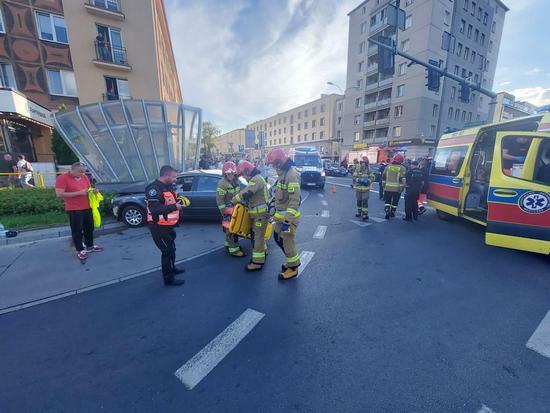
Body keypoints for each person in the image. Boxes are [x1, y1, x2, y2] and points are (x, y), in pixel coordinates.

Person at [145, 165, 187, 286]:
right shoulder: (153, 188)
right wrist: (175, 207)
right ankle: (168, 279)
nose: (175, 179)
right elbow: (154, 208)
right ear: (166, 175)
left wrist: (180, 202)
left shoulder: (167, 186)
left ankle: (173, 268)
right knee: (166, 251)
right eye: (173, 176)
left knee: (172, 248)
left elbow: (169, 201)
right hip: (158, 226)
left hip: (168, 225)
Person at [55, 162, 103, 261]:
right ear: (72, 169)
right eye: (80, 172)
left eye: (84, 172)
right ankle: (80, 250)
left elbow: (88, 188)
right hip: (74, 209)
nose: (82, 174)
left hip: (87, 206)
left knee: (89, 227)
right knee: (77, 230)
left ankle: (90, 246)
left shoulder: (84, 177)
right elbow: (59, 194)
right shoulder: (62, 178)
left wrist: (93, 191)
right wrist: (79, 193)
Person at [267, 148, 301, 280]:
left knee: (288, 242)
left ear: (279, 162)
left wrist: (287, 221)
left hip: (288, 219)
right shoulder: (282, 174)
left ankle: (293, 268)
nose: (273, 167)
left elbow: (294, 200)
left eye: (273, 164)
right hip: (280, 217)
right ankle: (290, 260)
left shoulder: (291, 175)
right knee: (277, 238)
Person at [231, 160, 269, 272]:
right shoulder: (257, 178)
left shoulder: (255, 179)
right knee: (258, 236)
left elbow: (247, 192)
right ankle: (264, 251)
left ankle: (257, 262)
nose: (243, 177)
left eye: (243, 174)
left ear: (247, 170)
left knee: (257, 237)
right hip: (259, 214)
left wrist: (234, 200)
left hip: (259, 215)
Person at [217, 161, 245, 257]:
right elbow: (219, 200)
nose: (231, 174)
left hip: (236, 209)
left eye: (233, 172)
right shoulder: (222, 183)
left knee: (231, 229)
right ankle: (234, 250)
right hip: (228, 210)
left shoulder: (236, 181)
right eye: (229, 173)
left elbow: (238, 194)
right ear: (224, 173)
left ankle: (228, 244)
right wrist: (224, 212)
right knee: (232, 229)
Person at [383, 154, 407, 220]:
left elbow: (384, 176)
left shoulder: (388, 166)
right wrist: (403, 187)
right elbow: (402, 179)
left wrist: (383, 185)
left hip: (387, 188)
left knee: (387, 201)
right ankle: (392, 212)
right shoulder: (402, 168)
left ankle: (387, 211)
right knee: (395, 202)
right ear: (401, 160)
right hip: (397, 189)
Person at [353, 156, 375, 220]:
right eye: (363, 162)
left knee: (364, 201)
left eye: (365, 162)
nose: (364, 164)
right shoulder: (358, 168)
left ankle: (365, 214)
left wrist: (368, 181)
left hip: (365, 189)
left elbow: (372, 177)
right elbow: (354, 176)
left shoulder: (369, 169)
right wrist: (359, 180)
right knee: (359, 201)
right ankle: (359, 212)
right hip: (359, 188)